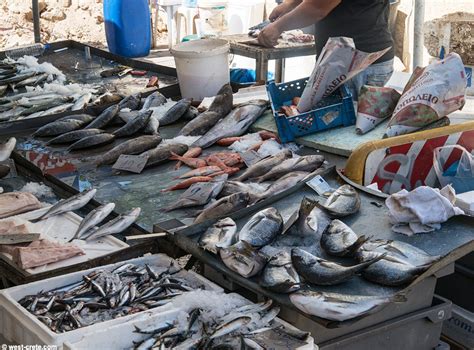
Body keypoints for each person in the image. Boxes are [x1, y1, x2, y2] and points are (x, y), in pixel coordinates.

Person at [258, 0, 395, 100]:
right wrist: (290, 4)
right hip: (350, 60)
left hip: (358, 64)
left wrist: (278, 27)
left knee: (345, 130)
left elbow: (317, 8)